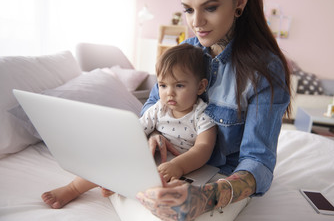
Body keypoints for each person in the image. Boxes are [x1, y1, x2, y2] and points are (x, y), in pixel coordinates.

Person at [136, 0, 291, 221]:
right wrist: (153, 133)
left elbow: (258, 160)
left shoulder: (265, 71)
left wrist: (207, 197)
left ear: (239, 2)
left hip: (220, 179)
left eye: (210, 8)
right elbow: (153, 104)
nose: (196, 22)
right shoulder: (183, 51)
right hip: (169, 165)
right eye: (188, 9)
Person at [41, 43, 217, 209]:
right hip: (149, 159)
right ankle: (73, 188)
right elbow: (136, 130)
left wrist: (178, 166)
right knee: (109, 160)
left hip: (180, 169)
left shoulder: (202, 115)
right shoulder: (158, 109)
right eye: (163, 85)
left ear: (200, 86)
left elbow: (203, 148)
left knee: (169, 197)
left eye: (179, 85)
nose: (169, 92)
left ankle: (118, 185)